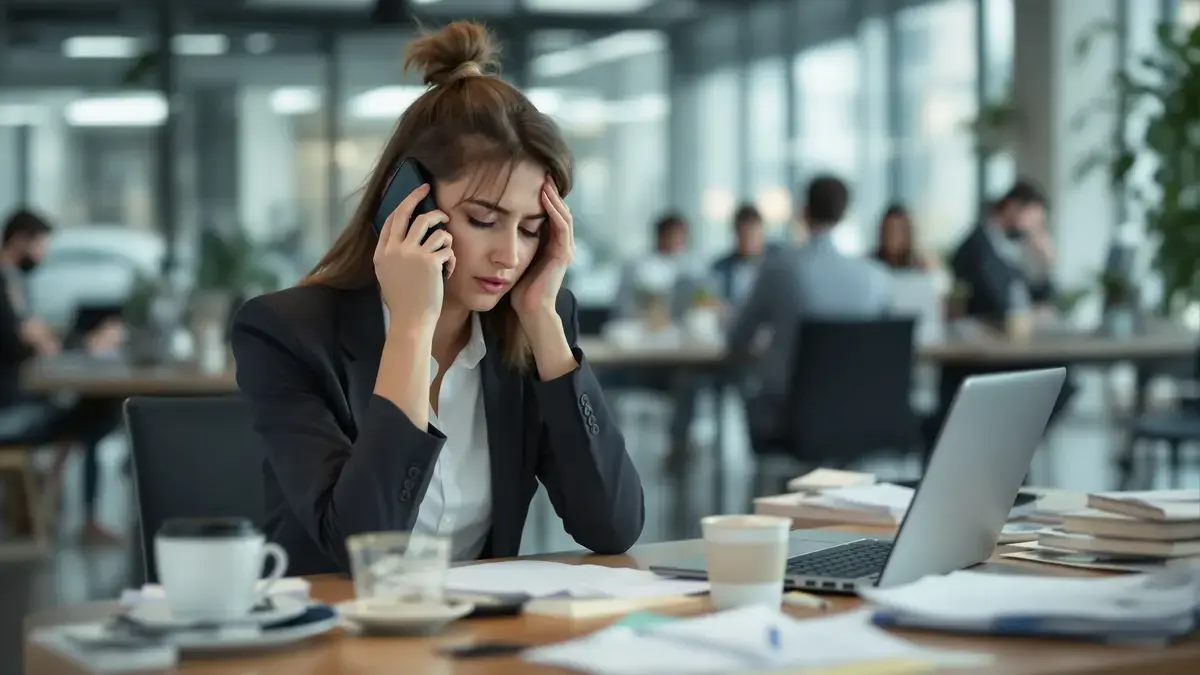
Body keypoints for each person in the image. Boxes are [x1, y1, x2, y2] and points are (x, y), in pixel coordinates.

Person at [230, 21, 644, 575]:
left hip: (478, 641)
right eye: (483, 220)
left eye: (530, 228)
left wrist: (545, 322)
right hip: (337, 641)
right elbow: (363, 549)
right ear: (408, 204)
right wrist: (410, 328)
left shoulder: (527, 323)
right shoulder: (287, 333)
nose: (509, 255)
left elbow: (612, 527)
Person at [727, 175, 891, 442]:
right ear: (844, 215)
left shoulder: (778, 268)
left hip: (786, 418)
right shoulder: (876, 277)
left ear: (805, 212)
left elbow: (738, 338)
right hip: (860, 415)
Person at [0, 209, 124, 545]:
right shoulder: (4, 282)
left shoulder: (12, 280)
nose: (44, 254)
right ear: (20, 240)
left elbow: (36, 337)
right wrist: (85, 343)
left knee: (91, 411)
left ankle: (49, 501)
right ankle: (81, 518)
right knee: (100, 413)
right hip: (9, 412)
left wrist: (68, 341)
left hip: (17, 399)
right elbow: (30, 342)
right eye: (41, 245)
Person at [950, 181, 1056, 324]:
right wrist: (1031, 314)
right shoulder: (979, 246)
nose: (1034, 228)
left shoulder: (1011, 248)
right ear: (1012, 207)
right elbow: (997, 302)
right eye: (1033, 219)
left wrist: (1045, 262)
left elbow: (1037, 298)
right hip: (981, 334)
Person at [613, 213, 706, 320]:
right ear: (661, 235)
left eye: (683, 237)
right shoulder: (637, 266)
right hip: (642, 324)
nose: (680, 241)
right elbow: (623, 305)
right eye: (674, 236)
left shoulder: (690, 266)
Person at [711, 204, 768, 308]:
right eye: (744, 235)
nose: (748, 242)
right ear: (736, 235)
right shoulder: (720, 267)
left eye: (753, 235)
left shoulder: (776, 267)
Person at [873, 204, 937, 271]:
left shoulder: (919, 270)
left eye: (899, 230)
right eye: (891, 229)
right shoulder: (870, 267)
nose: (894, 236)